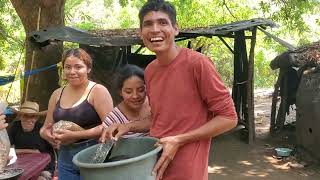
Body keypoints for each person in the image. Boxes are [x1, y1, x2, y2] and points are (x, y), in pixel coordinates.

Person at [102, 1, 238, 180]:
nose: (155, 29)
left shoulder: (198, 64)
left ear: (175, 28)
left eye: (163, 22)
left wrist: (179, 139)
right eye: (148, 24)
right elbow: (159, 118)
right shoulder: (150, 71)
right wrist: (127, 126)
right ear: (141, 32)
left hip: (188, 170)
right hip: (155, 162)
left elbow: (229, 118)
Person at [40, 48, 113, 180]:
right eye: (67, 67)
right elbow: (45, 127)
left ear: (88, 68)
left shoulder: (98, 91)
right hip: (65, 157)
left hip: (95, 154)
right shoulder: (57, 94)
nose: (72, 72)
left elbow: (110, 127)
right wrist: (47, 135)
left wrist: (75, 135)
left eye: (78, 67)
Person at [100, 64, 150, 141]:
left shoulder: (154, 104)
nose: (135, 96)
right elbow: (106, 147)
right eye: (128, 92)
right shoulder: (113, 119)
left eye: (141, 90)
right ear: (120, 92)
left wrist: (128, 126)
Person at [8, 101, 54, 180]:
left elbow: (52, 152)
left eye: (33, 116)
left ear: (37, 118)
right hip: (22, 165)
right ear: (20, 116)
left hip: (44, 166)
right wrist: (32, 151)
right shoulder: (15, 127)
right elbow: (7, 150)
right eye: (26, 116)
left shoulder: (42, 129)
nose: (29, 120)